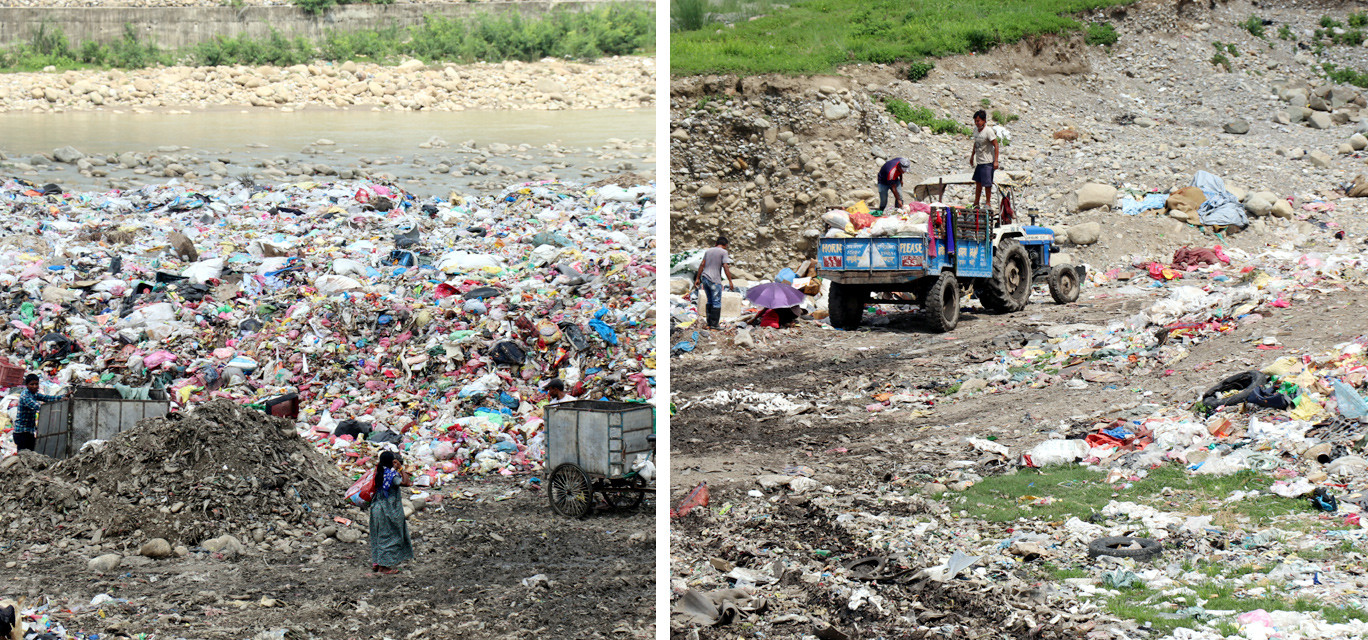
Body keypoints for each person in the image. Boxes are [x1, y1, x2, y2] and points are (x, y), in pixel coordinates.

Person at [369, 450, 413, 574]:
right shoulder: (392, 475)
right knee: (389, 537)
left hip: (376, 508)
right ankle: (385, 567)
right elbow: (406, 483)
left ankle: (377, 563)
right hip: (388, 510)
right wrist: (400, 469)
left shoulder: (379, 472)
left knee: (378, 536)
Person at [690, 236, 736, 330]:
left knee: (709, 301)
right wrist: (730, 281)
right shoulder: (724, 252)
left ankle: (709, 324)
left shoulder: (708, 251)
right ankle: (715, 325)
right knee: (716, 302)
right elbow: (725, 266)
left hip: (705, 278)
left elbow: (702, 264)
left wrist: (697, 278)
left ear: (716, 244)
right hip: (714, 280)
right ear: (725, 245)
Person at [13, 374, 64, 452]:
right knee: (24, 456)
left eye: (36, 384)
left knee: (31, 454)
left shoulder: (33, 394)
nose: (34, 386)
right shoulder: (25, 396)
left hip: (28, 431)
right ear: (26, 385)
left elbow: (46, 398)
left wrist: (62, 397)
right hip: (21, 432)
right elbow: (39, 407)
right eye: (32, 384)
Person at [969, 110, 1000, 211]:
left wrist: (996, 161)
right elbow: (975, 143)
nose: (977, 123)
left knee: (987, 184)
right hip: (979, 161)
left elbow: (996, 144)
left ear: (984, 120)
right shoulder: (976, 130)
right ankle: (976, 202)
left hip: (987, 162)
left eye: (978, 121)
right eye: (975, 121)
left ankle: (988, 203)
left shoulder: (988, 131)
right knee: (978, 182)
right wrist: (972, 155)